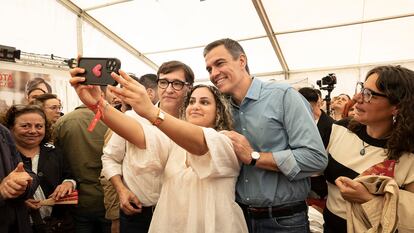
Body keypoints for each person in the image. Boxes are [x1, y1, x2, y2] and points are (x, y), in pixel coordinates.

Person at [69, 67, 248, 233]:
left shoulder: (227, 142)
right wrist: (98, 104)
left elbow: (201, 143)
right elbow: (137, 133)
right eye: (192, 101)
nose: (195, 106)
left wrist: (150, 111)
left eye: (205, 102)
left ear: (219, 111)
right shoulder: (175, 143)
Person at [203, 38, 327, 233]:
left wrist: (254, 157)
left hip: (284, 220)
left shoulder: (283, 95)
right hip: (239, 218)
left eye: (219, 63)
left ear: (242, 61)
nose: (213, 73)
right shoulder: (221, 108)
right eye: (209, 69)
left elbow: (315, 158)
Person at [101, 61, 194, 233]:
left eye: (177, 84)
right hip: (137, 212)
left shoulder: (193, 123)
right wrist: (121, 190)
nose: (169, 89)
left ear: (189, 87)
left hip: (178, 214)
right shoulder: (133, 117)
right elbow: (110, 158)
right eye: (164, 82)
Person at [323, 65, 414, 233]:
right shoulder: (341, 129)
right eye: (362, 89)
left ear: (397, 107)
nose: (358, 98)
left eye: (369, 94)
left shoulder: (408, 153)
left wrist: (367, 199)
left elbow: (411, 215)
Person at [4, 104, 76, 232]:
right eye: (25, 126)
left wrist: (68, 184)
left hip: (56, 225)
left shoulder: (55, 152)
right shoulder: (4, 157)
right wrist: (19, 204)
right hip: (16, 226)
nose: (33, 131)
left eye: (39, 126)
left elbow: (69, 176)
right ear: (10, 128)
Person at [54, 87, 112, 233]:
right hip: (108, 197)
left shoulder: (62, 122)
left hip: (77, 198)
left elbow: (55, 157)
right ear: (102, 95)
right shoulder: (113, 122)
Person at [0, 122, 39, 233]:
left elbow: (25, 170)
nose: (32, 131)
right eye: (25, 126)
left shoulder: (3, 131)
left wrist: (23, 183)